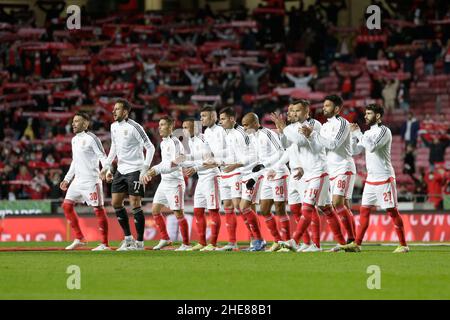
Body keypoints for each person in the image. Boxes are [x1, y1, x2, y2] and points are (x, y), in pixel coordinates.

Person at [272, 99, 346, 252]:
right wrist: (282, 131)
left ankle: (297, 241)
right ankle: (341, 243)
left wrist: (285, 129)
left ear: (306, 112)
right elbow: (287, 146)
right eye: (292, 110)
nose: (294, 113)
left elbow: (301, 141)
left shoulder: (314, 124)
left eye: (298, 110)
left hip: (318, 171)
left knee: (307, 207)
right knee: (325, 208)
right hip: (307, 173)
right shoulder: (293, 127)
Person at [345, 103, 409, 253]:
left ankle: (403, 245)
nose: (365, 116)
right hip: (371, 179)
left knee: (392, 211)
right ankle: (357, 244)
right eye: (365, 113)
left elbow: (372, 147)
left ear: (378, 116)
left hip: (385, 177)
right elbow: (355, 151)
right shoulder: (366, 133)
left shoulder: (384, 131)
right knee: (364, 210)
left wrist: (359, 133)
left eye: (369, 114)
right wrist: (352, 135)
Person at [300, 95, 357, 250]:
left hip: (344, 167)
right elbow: (320, 148)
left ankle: (352, 240)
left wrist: (314, 134)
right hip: (330, 170)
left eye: (327, 106)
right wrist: (310, 138)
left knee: (338, 202)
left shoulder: (343, 123)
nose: (323, 108)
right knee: (340, 205)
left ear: (337, 109)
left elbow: (333, 144)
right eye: (323, 105)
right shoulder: (324, 126)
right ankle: (348, 242)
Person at [100, 99, 155, 251]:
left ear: (125, 112)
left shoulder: (135, 127)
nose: (113, 111)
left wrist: (145, 168)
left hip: (135, 170)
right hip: (121, 170)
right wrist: (107, 167)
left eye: (117, 109)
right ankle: (128, 239)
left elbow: (150, 148)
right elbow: (114, 147)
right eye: (113, 109)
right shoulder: (113, 127)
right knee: (116, 203)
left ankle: (140, 243)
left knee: (135, 204)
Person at [60, 111, 110, 251]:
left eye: (77, 121)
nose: (73, 124)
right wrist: (67, 179)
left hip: (91, 181)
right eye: (73, 121)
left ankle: (104, 244)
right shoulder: (74, 139)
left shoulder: (92, 138)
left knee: (98, 210)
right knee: (66, 206)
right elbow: (75, 162)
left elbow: (102, 156)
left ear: (85, 123)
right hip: (77, 181)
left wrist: (106, 170)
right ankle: (79, 238)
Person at [241, 112, 291, 252]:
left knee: (280, 208)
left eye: (246, 125)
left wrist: (264, 165)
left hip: (279, 172)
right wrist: (254, 177)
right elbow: (261, 163)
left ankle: (286, 242)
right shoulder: (254, 138)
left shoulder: (267, 134)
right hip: (267, 175)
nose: (244, 129)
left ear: (256, 123)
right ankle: (277, 240)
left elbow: (281, 152)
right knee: (264, 210)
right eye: (243, 125)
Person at [143, 117, 191, 251]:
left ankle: (186, 244)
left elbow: (177, 163)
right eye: (159, 124)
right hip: (164, 182)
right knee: (155, 210)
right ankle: (165, 239)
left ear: (171, 127)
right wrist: (154, 169)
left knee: (178, 213)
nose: (159, 127)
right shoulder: (163, 143)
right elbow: (164, 164)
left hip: (175, 182)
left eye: (163, 124)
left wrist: (155, 170)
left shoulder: (176, 143)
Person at [215, 107, 259, 251]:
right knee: (228, 205)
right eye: (220, 119)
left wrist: (234, 165)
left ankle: (256, 239)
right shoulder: (229, 133)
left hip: (242, 172)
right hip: (230, 171)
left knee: (241, 206)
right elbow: (232, 153)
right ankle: (232, 242)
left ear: (232, 119)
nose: (220, 122)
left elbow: (253, 154)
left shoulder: (242, 133)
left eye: (223, 119)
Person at [174, 118, 221, 251]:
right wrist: (180, 162)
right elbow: (193, 159)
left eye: (186, 127)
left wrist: (194, 168)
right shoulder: (191, 142)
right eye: (182, 127)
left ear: (195, 128)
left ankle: (213, 243)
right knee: (198, 210)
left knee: (213, 210)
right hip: (202, 178)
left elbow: (210, 159)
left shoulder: (204, 140)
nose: (184, 130)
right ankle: (202, 242)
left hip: (211, 176)